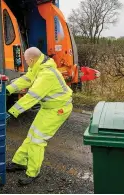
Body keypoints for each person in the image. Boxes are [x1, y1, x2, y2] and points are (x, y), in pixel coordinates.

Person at [5, 47, 73, 185]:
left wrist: (12, 112)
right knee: (32, 135)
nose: (25, 63)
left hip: (57, 110)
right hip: (49, 108)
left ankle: (32, 173)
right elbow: (26, 79)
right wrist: (8, 90)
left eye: (26, 60)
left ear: (31, 59)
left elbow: (32, 96)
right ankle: (20, 162)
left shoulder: (46, 74)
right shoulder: (38, 66)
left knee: (38, 140)